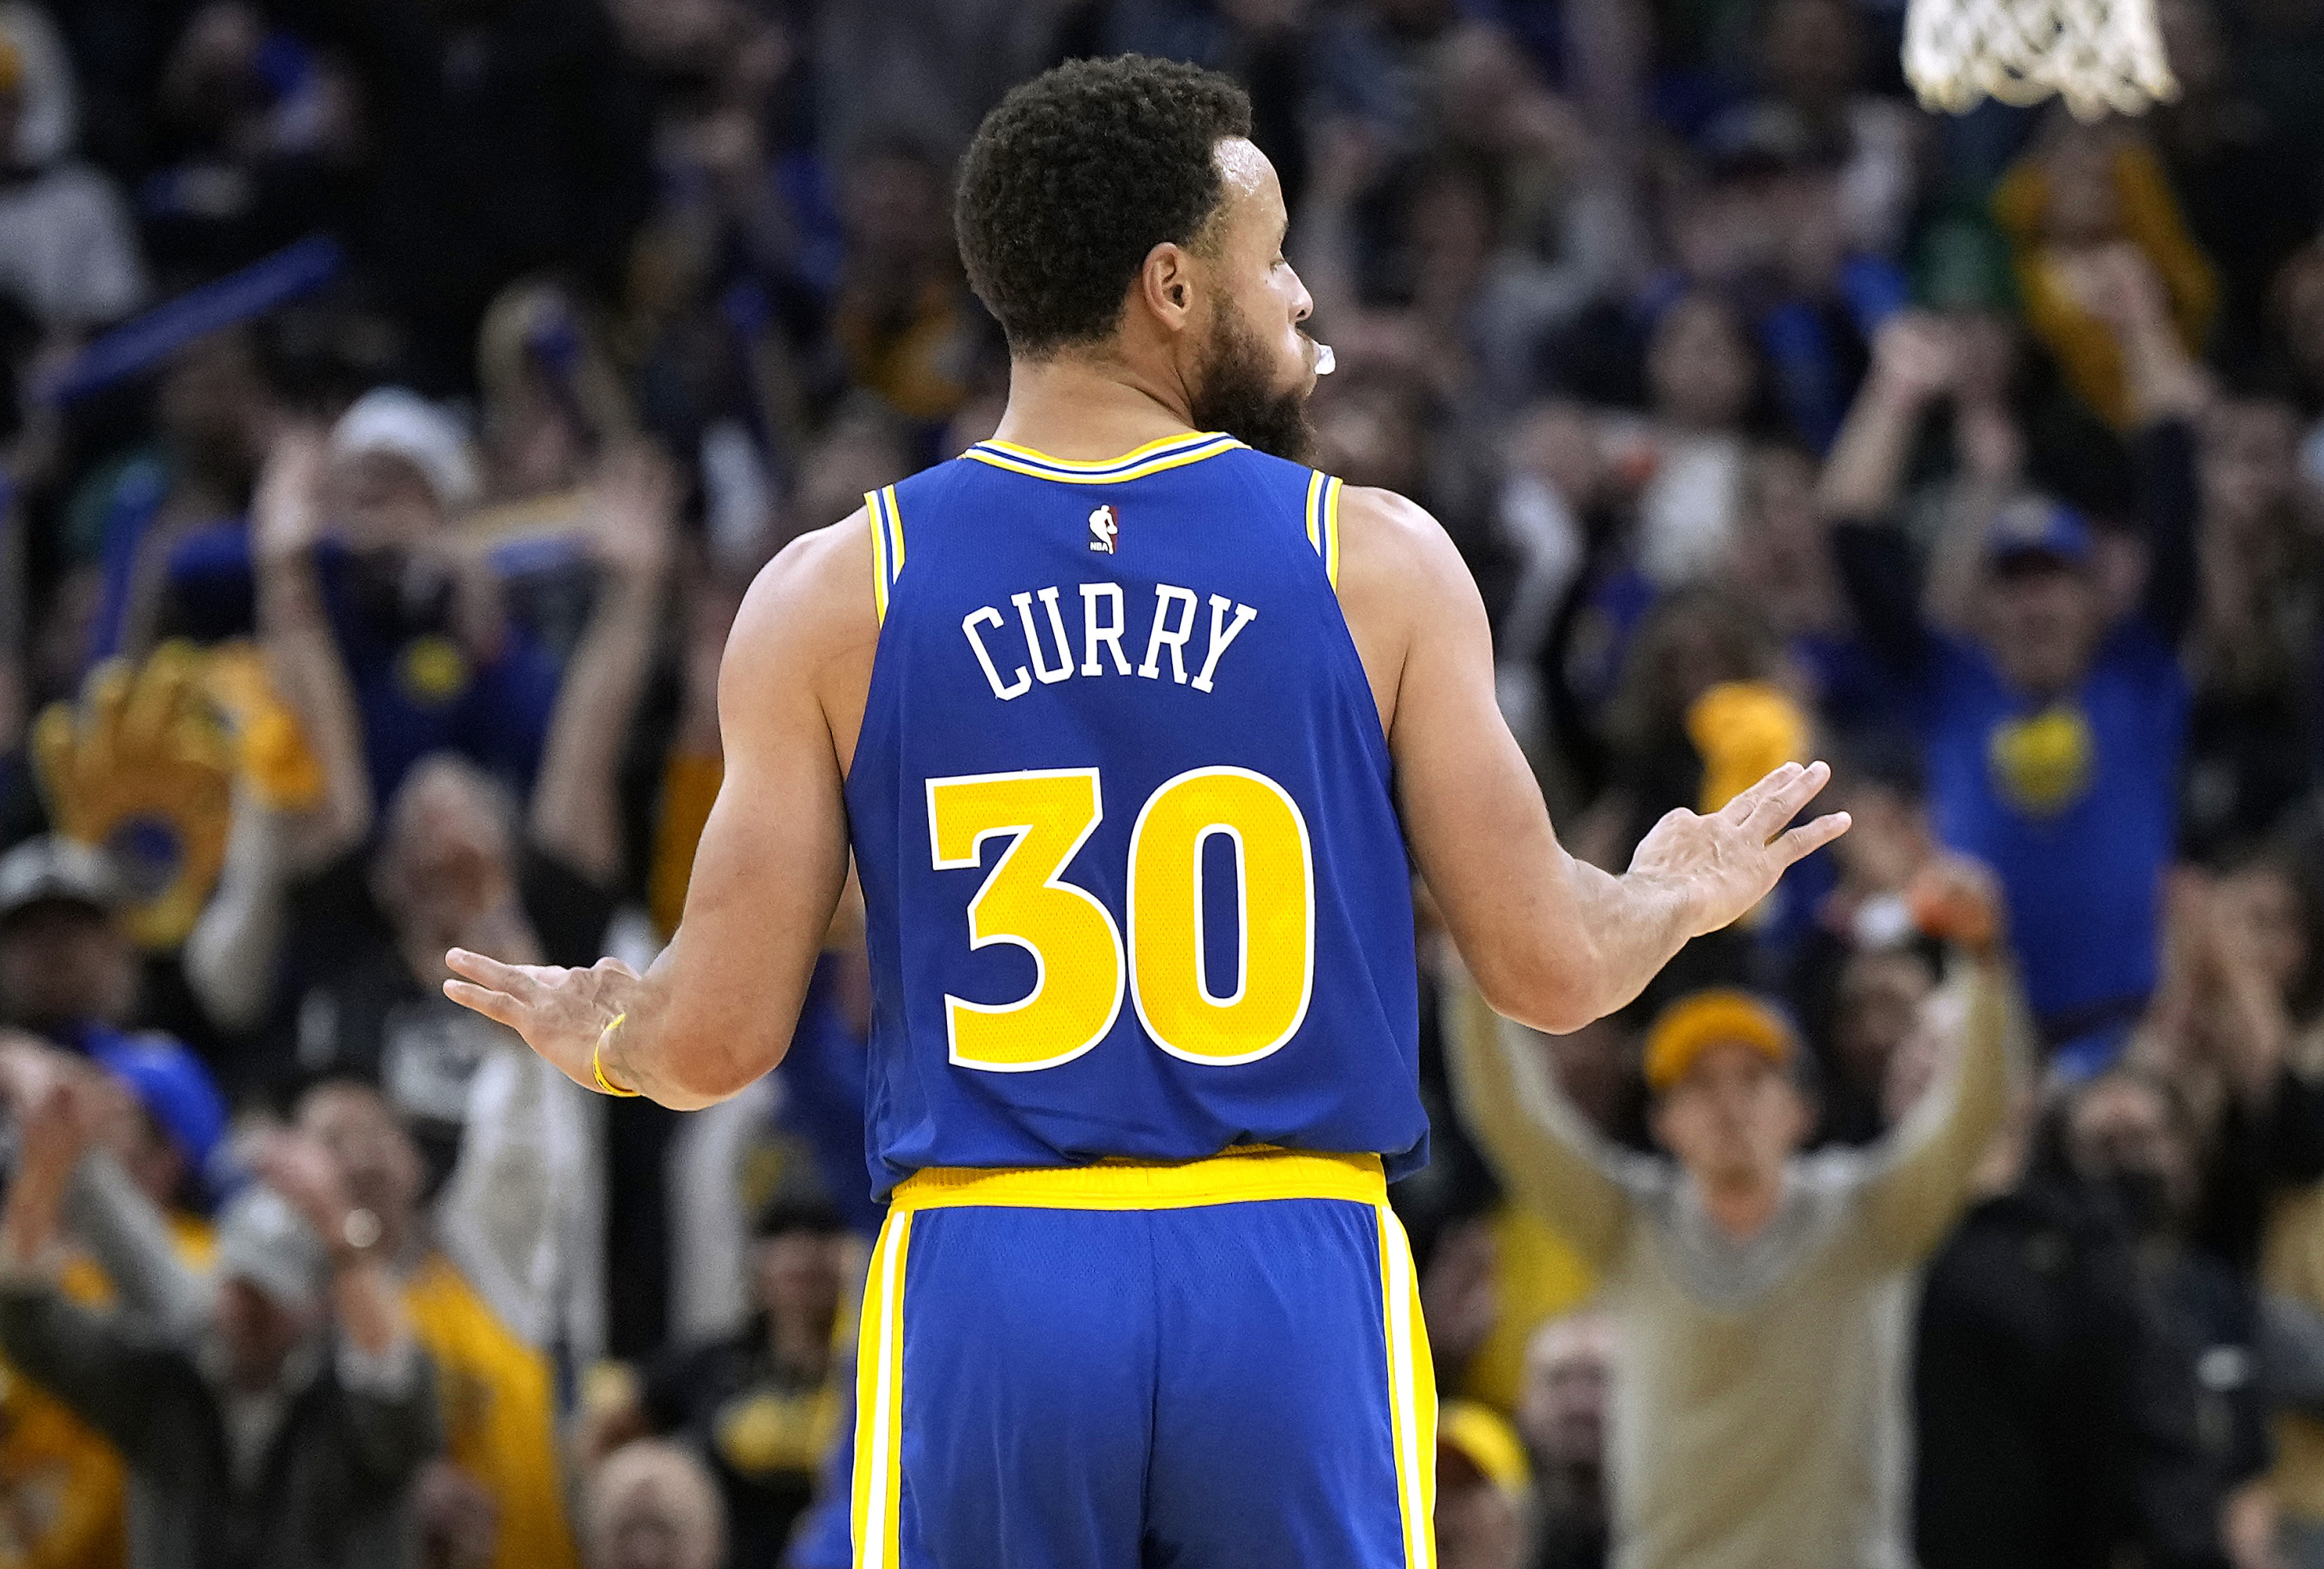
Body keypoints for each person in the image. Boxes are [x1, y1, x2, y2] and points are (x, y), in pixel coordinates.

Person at [442, 55, 1845, 1567]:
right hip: (1289, 1258)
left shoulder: (831, 589)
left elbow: (714, 1042)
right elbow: (1551, 970)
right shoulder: (1370, 560)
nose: (1304, 297)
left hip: (992, 1265)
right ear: (1173, 286)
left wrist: (605, 1025)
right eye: (1274, 255)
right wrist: (1672, 895)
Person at [1443, 857, 2023, 1569]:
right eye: (1699, 1083)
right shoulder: (1629, 1224)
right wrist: (1464, 964)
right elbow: (1511, 1116)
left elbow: (1971, 1117)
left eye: (1753, 1077)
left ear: (1801, 1110)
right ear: (1663, 1122)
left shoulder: (1868, 1219)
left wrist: (1983, 960)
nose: (1727, 1103)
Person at [0, 1084, 439, 1569]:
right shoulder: (169, 1378)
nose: (250, 1311)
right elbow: (28, 1318)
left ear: (320, 1305)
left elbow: (397, 1387)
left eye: (274, 1294)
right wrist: (44, 1168)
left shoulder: (350, 1404)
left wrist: (336, 1225)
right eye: (240, 1285)